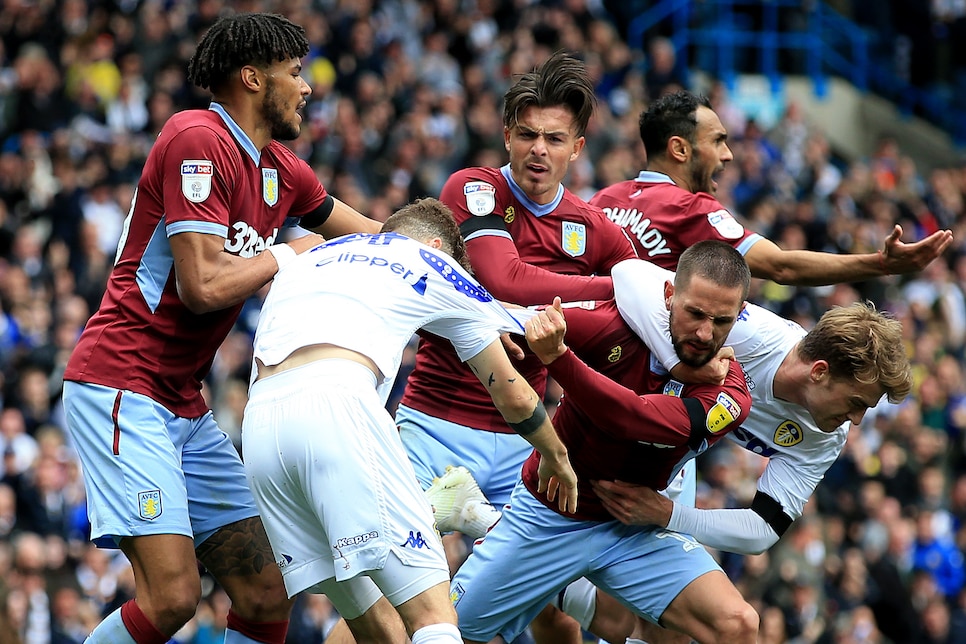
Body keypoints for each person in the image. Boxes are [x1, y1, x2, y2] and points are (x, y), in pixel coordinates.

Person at [61, 13, 381, 644]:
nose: (308, 86)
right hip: (122, 384)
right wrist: (288, 253)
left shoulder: (282, 169)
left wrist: (452, 256)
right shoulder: (196, 138)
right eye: (295, 73)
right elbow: (201, 287)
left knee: (268, 593)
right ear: (252, 77)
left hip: (182, 402)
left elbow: (372, 237)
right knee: (173, 598)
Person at [318, 50, 637, 644]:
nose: (539, 149)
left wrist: (629, 293)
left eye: (554, 138)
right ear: (507, 135)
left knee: (556, 617)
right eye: (527, 134)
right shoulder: (475, 190)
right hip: (439, 425)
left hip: (527, 440)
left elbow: (642, 309)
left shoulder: (592, 229)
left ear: (578, 149)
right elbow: (498, 278)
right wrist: (613, 288)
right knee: (394, 599)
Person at [240, 197, 578, 644]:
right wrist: (555, 454)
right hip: (336, 406)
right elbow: (511, 391)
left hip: (261, 431)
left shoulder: (312, 254)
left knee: (377, 630)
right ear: (439, 246)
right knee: (434, 616)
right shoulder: (432, 262)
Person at [550, 257, 915, 644]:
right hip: (594, 432)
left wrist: (668, 514)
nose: (856, 420)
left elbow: (763, 527)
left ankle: (544, 581)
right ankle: (531, 572)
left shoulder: (826, 435)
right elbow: (629, 274)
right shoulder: (752, 336)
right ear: (820, 372)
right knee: (605, 618)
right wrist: (680, 365)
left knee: (674, 631)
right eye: (857, 402)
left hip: (668, 470)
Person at [451, 241, 759, 644]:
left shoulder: (731, 394)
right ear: (669, 295)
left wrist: (559, 358)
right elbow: (509, 314)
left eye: (721, 321)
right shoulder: (614, 327)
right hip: (550, 516)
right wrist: (505, 331)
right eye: (694, 313)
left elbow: (633, 419)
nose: (704, 333)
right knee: (445, 632)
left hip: (634, 528)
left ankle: (482, 521)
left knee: (738, 624)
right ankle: (498, 534)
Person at [590, 89, 953, 283]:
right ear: (680, 149)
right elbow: (783, 267)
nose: (728, 155)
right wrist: (880, 264)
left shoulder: (604, 200)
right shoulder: (691, 210)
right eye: (717, 141)